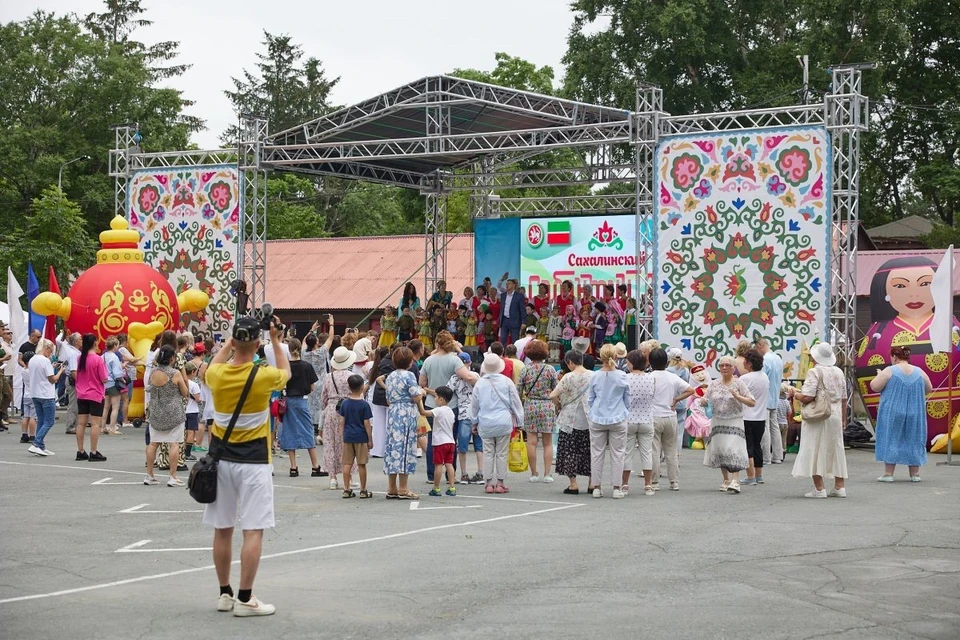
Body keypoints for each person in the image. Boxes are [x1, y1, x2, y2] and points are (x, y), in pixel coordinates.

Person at [203, 314, 290, 617]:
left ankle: (225, 593)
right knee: (253, 529)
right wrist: (276, 341)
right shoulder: (265, 376)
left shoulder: (216, 375)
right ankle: (246, 598)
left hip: (221, 459)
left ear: (234, 341)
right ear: (256, 343)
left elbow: (214, 364)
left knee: (222, 527)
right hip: (253, 461)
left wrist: (230, 343)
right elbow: (285, 373)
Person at [792, 342, 849, 498]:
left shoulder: (814, 372)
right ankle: (839, 486)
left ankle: (819, 488)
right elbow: (844, 399)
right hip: (835, 414)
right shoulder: (839, 372)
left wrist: (795, 394)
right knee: (836, 449)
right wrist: (844, 419)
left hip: (818, 415)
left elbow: (808, 397)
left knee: (814, 448)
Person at [871, 346, 932, 482]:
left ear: (894, 357)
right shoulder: (919, 371)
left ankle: (888, 473)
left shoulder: (889, 371)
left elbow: (875, 386)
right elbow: (929, 388)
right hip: (915, 412)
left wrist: (879, 375)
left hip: (893, 411)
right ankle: (915, 474)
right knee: (914, 439)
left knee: (891, 438)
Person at [419, 331, 472, 482]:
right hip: (451, 404)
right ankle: (451, 474)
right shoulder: (455, 360)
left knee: (432, 440)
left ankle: (431, 474)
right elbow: (467, 376)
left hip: (431, 403)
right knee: (450, 439)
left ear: (437, 343)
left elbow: (421, 383)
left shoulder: (429, 360)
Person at [471, 353, 523, 494]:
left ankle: (488, 483)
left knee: (488, 452)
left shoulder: (479, 383)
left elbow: (474, 406)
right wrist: (519, 421)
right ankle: (500, 483)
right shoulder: (507, 382)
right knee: (501, 453)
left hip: (485, 422)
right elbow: (516, 403)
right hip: (503, 422)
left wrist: (474, 422)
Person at [703, 355, 756, 494]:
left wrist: (738, 397)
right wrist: (702, 401)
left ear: (733, 368)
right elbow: (706, 398)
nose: (725, 368)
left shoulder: (739, 383)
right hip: (718, 420)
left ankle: (735, 480)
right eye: (722, 365)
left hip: (734, 420)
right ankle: (726, 479)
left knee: (733, 449)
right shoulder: (714, 384)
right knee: (721, 450)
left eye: (728, 365)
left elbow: (752, 401)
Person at [585, 344, 630, 498]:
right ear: (616, 356)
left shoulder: (594, 376)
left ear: (600, 357)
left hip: (597, 416)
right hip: (618, 416)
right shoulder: (623, 376)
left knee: (596, 453)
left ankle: (596, 487)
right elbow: (627, 398)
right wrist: (625, 411)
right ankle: (617, 488)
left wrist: (593, 411)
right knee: (618, 453)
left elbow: (590, 399)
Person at [648, 348, 696, 491]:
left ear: (650, 362)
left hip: (653, 416)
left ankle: (655, 482)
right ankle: (674, 481)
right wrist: (676, 399)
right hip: (670, 416)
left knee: (654, 451)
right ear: (667, 361)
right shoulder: (672, 377)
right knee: (671, 451)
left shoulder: (649, 377)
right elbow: (691, 390)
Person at [143, 345, 189, 486]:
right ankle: (172, 476)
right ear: (171, 358)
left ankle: (149, 475)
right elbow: (185, 392)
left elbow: (149, 387)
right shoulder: (174, 373)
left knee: (153, 443)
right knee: (174, 443)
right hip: (174, 412)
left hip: (156, 411)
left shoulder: (153, 372)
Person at [550, 351, 592, 494]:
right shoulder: (593, 375)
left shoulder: (568, 377)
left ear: (570, 362)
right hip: (589, 418)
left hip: (570, 419)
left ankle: (573, 484)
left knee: (569, 451)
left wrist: (559, 405)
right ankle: (592, 484)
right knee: (591, 451)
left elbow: (553, 395)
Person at [383, 346, 422, 500]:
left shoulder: (390, 376)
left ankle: (392, 487)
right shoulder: (410, 375)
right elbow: (416, 396)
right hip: (406, 412)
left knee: (393, 447)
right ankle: (403, 489)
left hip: (393, 412)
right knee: (405, 448)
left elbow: (387, 398)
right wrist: (421, 392)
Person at [279, 338, 321, 478]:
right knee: (308, 429)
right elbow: (312, 386)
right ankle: (315, 466)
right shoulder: (306, 366)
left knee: (289, 430)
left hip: (288, 399)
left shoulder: (285, 367)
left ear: (289, 350)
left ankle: (293, 467)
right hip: (302, 399)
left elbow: (281, 384)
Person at [517, 339, 558, 483]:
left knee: (532, 442)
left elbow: (518, 391)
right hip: (547, 406)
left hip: (530, 405)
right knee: (547, 442)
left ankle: (534, 473)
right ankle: (547, 474)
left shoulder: (525, 369)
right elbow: (556, 389)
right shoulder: (550, 369)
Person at [322, 346, 357, 490]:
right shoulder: (351, 376)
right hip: (347, 409)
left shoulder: (328, 377)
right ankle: (349, 476)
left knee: (330, 443)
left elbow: (323, 398)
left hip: (331, 409)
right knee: (347, 443)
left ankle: (332, 478)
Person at [623, 349, 656, 496]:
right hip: (646, 418)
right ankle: (648, 485)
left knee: (627, 453)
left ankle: (624, 484)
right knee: (647, 452)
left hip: (629, 419)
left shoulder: (625, 378)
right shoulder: (651, 378)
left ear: (631, 363)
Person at [448, 352, 482, 484]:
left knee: (462, 446)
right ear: (469, 363)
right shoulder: (476, 376)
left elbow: (447, 391)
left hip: (463, 413)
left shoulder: (455, 378)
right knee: (479, 446)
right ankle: (480, 473)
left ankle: (464, 473)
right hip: (478, 413)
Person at [26, 339, 65, 456]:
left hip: (35, 393)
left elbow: (42, 373)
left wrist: (52, 367)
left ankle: (40, 445)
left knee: (42, 420)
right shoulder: (45, 360)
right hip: (46, 394)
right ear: (46, 348)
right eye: (50, 351)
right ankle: (36, 443)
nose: (51, 353)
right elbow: (53, 379)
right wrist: (60, 371)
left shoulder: (33, 359)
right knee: (49, 421)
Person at [339, 374, 374, 499]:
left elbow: (341, 421)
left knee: (347, 463)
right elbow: (367, 423)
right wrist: (370, 439)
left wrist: (342, 435)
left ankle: (346, 489)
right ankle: (363, 490)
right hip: (361, 437)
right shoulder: (364, 405)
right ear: (361, 387)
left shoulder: (344, 404)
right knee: (361, 464)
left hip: (348, 436)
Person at [74, 333, 108, 462]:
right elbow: (104, 378)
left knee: (81, 423)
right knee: (95, 424)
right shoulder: (98, 359)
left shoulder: (80, 358)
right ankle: (93, 451)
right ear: (94, 343)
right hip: (95, 393)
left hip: (81, 392)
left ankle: (80, 450)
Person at [738, 349, 770, 486]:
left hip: (747, 416)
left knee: (747, 446)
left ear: (749, 363)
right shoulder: (764, 377)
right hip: (761, 416)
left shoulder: (744, 379)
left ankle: (750, 476)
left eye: (745, 361)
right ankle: (759, 475)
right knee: (757, 446)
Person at [420, 385, 458, 496]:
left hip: (440, 442)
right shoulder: (450, 411)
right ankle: (452, 487)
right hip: (450, 441)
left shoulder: (439, 410)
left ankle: (436, 488)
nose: (434, 399)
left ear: (441, 399)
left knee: (438, 465)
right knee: (449, 464)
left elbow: (424, 413)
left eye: (435, 397)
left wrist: (419, 401)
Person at [302, 316, 334, 440]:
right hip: (322, 381)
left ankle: (311, 428)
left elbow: (304, 341)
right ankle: (321, 429)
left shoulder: (304, 353)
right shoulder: (321, 352)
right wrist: (331, 324)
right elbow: (330, 338)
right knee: (322, 406)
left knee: (310, 405)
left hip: (309, 383)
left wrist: (311, 330)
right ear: (317, 343)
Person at [756, 338, 785, 464]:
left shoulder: (765, 360)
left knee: (765, 427)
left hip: (765, 398)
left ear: (760, 345)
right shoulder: (778, 358)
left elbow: (761, 379)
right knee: (775, 427)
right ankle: (778, 456)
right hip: (775, 396)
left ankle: (766, 457)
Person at [666, 347, 690, 450]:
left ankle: (666, 452)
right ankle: (676, 453)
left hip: (670, 402)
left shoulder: (667, 371)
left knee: (667, 431)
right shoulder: (685, 370)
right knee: (679, 431)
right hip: (682, 402)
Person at [59, 332, 81, 434]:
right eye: (80, 339)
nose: (82, 341)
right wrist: (80, 382)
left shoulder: (76, 352)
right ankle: (71, 426)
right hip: (74, 380)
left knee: (76, 403)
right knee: (73, 403)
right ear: (76, 342)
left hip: (74, 379)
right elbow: (73, 370)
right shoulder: (74, 354)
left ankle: (74, 424)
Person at [102, 337, 124, 436]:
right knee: (115, 407)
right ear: (115, 346)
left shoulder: (102, 356)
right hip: (113, 383)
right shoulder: (114, 357)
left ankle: (103, 427)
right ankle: (112, 428)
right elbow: (117, 373)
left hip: (104, 383)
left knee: (106, 406)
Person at [498, 278, 527, 345]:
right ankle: (502, 354)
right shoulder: (503, 295)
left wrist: (523, 322)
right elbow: (502, 308)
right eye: (506, 284)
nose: (507, 285)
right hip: (504, 320)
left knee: (515, 340)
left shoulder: (519, 296)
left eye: (509, 284)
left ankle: (514, 354)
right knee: (502, 340)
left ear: (514, 285)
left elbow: (522, 310)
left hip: (515, 320)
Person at [183, 362, 202, 460]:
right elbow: (198, 398)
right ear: (193, 372)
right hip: (192, 410)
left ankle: (181, 451)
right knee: (191, 432)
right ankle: (188, 453)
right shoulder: (194, 385)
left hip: (183, 410)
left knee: (183, 432)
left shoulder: (181, 381)